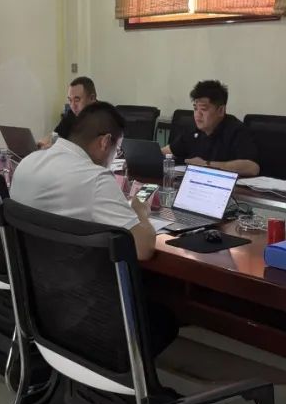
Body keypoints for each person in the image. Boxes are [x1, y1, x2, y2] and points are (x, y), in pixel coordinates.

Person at [11, 101, 177, 356]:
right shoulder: (94, 178)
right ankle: (130, 377)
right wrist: (139, 211)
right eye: (116, 150)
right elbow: (143, 249)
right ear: (105, 142)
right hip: (81, 314)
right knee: (165, 318)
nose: (114, 157)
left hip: (34, 302)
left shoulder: (28, 162)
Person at [162, 80, 260, 177]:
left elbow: (252, 168)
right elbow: (168, 151)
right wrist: (155, 154)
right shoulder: (192, 130)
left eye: (203, 109)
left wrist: (206, 165)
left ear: (221, 110)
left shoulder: (236, 131)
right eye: (195, 109)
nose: (197, 114)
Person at [38, 76, 97, 148]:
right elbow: (56, 135)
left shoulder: (105, 117)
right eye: (70, 100)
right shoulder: (72, 113)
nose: (72, 106)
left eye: (77, 100)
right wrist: (41, 143)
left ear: (92, 98)